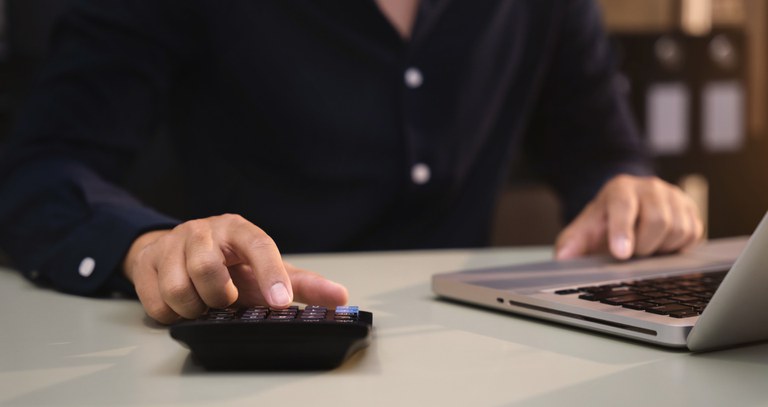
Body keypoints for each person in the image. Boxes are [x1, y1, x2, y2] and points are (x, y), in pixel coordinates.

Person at [0, 0, 702, 324]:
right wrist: (144, 244)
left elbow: (604, 152)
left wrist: (629, 192)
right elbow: (39, 169)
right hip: (242, 353)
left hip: (475, 352)